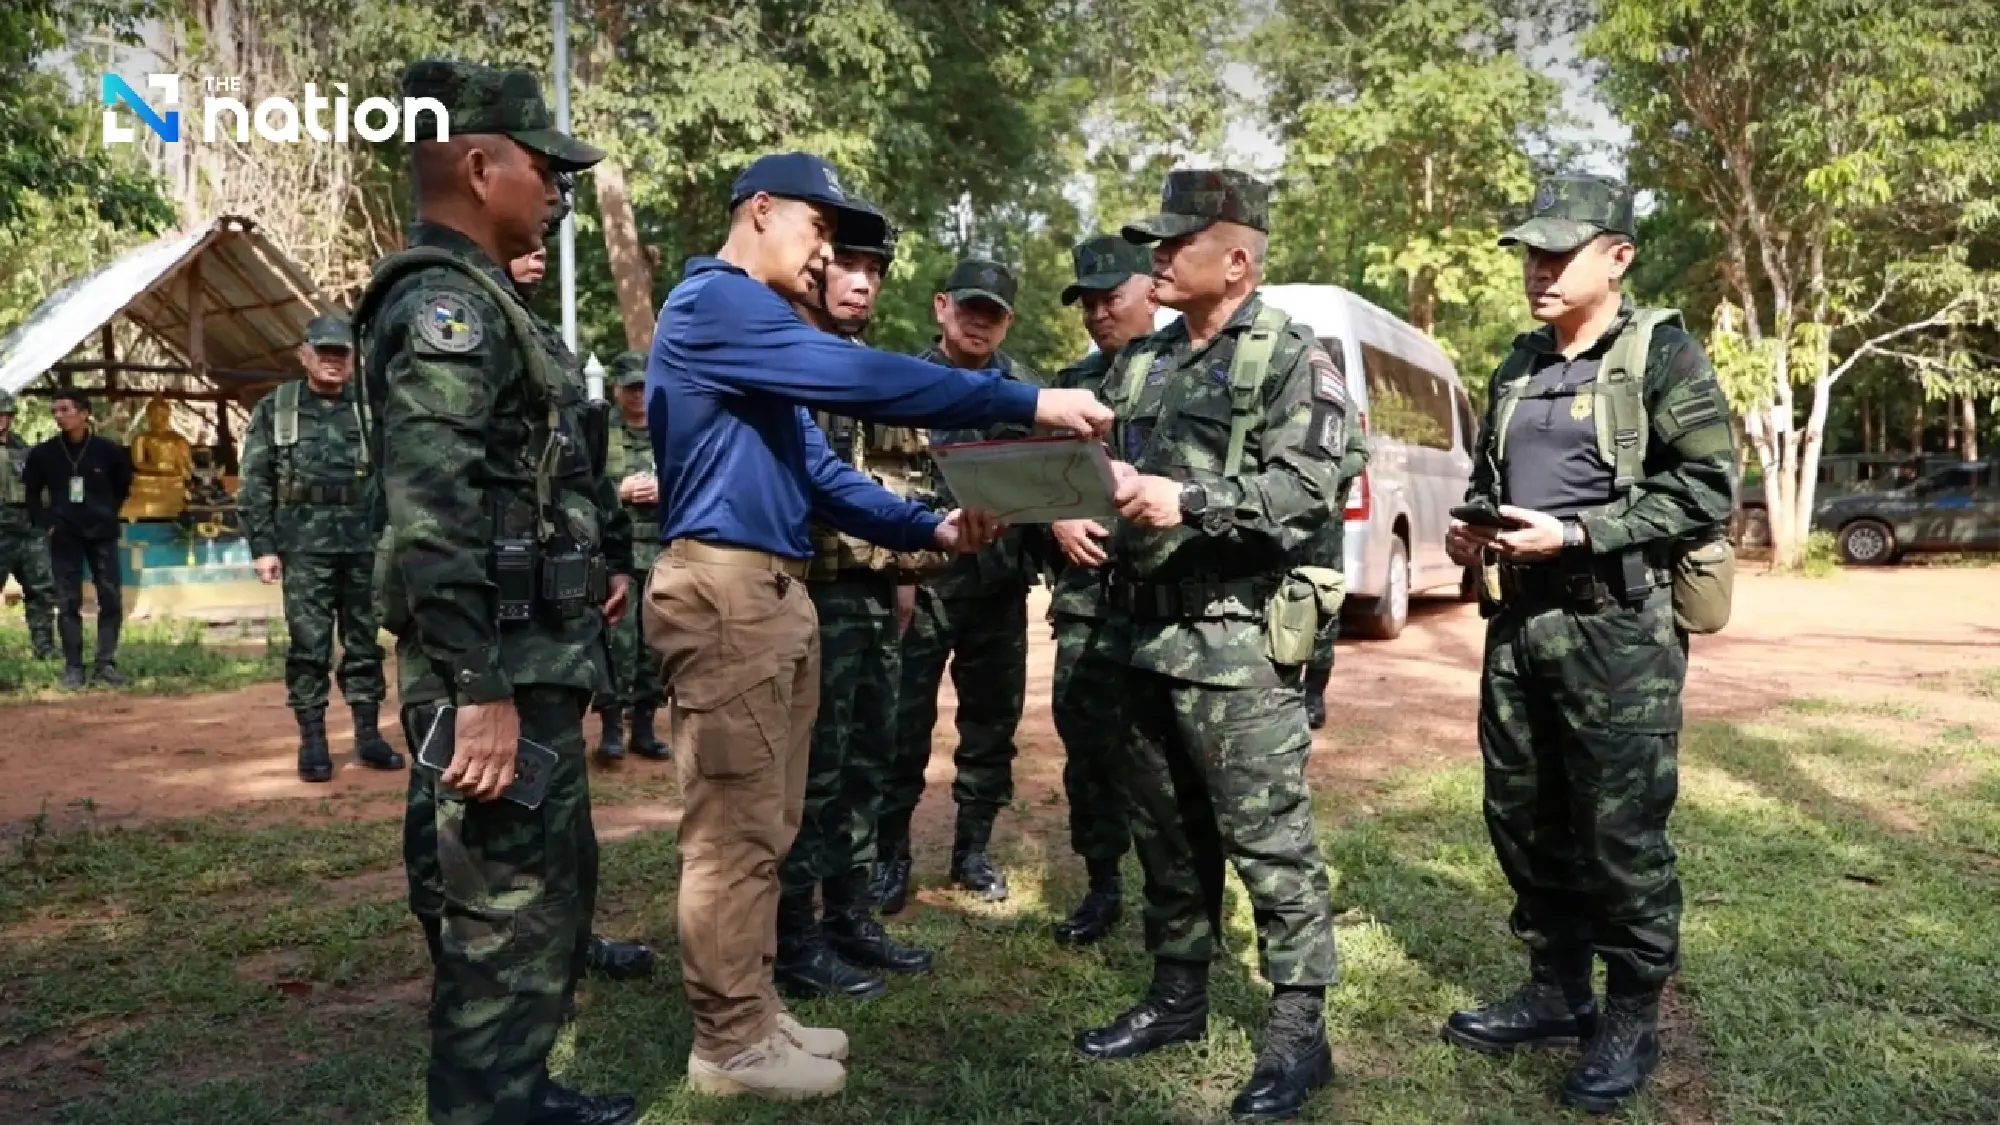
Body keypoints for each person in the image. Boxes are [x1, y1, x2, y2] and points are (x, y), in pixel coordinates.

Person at [641, 148, 1111, 1100]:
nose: (826, 257)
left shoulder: (755, 323)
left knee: (766, 823)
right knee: (731, 832)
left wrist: (929, 524)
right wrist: (1027, 400)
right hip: (728, 589)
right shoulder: (716, 303)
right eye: (819, 231)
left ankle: (754, 1012)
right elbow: (866, 386)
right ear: (761, 210)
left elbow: (820, 474)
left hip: (769, 589)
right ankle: (727, 1044)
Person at [351, 59, 639, 1125]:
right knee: (499, 911)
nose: (558, 190)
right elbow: (432, 514)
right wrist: (477, 685)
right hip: (493, 663)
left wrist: (586, 566)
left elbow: (519, 476)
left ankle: (518, 1091)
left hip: (529, 647)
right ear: (479, 165)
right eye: (544, 168)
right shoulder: (441, 307)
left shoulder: (481, 297)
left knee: (532, 898)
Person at [1440, 173, 1735, 1115]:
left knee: (1619, 829)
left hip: (1617, 629)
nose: (1538, 270)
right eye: (1530, 253)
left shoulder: (1664, 355)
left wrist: (1577, 533)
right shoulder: (1517, 364)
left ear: (1619, 255)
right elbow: (1496, 477)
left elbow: (1707, 490)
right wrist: (1473, 533)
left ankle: (1632, 1012)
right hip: (1519, 624)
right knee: (1522, 816)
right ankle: (1557, 989)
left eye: (1558, 253)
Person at [1072, 169, 1345, 1120]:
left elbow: (1308, 489)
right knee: (1167, 833)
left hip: (1238, 642)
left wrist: (1188, 500)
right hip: (1142, 634)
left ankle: (1299, 1032)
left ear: (1235, 259)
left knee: (1269, 837)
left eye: (1175, 240)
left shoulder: (1292, 357)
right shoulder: (1143, 363)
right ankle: (1178, 994)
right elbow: (1094, 457)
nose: (1157, 253)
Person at [774, 198, 942, 1001]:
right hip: (812, 594)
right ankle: (795, 938)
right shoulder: (786, 356)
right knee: (814, 771)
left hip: (876, 595)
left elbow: (905, 476)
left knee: (867, 763)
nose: (864, 284)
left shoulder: (866, 366)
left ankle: (850, 915)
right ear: (817, 265)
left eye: (876, 272)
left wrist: (906, 574)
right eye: (852, 266)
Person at [877, 258, 1045, 910]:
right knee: (901, 725)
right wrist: (898, 570)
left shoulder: (1028, 390)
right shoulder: (902, 384)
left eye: (994, 312)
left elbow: (1050, 478)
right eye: (970, 306)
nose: (980, 320)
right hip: (923, 588)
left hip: (998, 589)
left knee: (991, 726)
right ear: (942, 305)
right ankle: (890, 855)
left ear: (1008, 322)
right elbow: (883, 480)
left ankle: (972, 850)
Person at [1042, 234, 1157, 945]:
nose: (1096, 313)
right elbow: (1040, 474)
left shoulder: (1183, 370)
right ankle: (1102, 885)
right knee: (1086, 745)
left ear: (1150, 290)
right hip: (1086, 600)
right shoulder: (1071, 381)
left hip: (1161, 602)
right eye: (1086, 301)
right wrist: (1056, 517)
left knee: (1166, 754)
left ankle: (1175, 895)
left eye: (1110, 297)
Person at [238, 314, 406, 782]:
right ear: (304, 354)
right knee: (309, 645)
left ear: (353, 359)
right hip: (303, 545)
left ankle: (368, 736)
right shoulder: (278, 407)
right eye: (324, 352)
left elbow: (398, 474)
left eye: (341, 354)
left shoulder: (373, 407)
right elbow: (255, 480)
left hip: (364, 544)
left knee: (364, 642)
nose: (332, 362)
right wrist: (263, 546)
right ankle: (313, 740)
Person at [23, 388, 133, 690]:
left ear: (84, 413)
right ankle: (74, 668)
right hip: (65, 535)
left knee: (109, 597)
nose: (59, 416)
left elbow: (124, 485)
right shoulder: (43, 453)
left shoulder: (108, 451)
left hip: (102, 534)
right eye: (55, 410)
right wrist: (45, 522)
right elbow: (31, 492)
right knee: (67, 600)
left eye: (65, 409)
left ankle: (106, 664)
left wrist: (108, 512)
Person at [593, 352, 670, 763]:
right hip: (617, 556)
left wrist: (666, 490)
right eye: (630, 388)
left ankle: (644, 727)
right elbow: (584, 483)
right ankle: (610, 728)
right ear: (616, 389)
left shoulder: (669, 431)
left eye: (644, 387)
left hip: (661, 552)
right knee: (615, 643)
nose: (638, 396)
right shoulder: (601, 432)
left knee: (654, 646)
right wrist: (617, 491)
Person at [1300, 425, 1370, 730]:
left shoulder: (1335, 397)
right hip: (1274, 524)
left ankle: (1313, 694)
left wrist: (1324, 474)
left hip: (1322, 529)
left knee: (1324, 606)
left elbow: (1359, 452)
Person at [0, 391, 57, 661]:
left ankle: (45, 648)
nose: (1, 420)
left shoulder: (23, 448)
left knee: (42, 589)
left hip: (29, 529)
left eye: (4, 414)